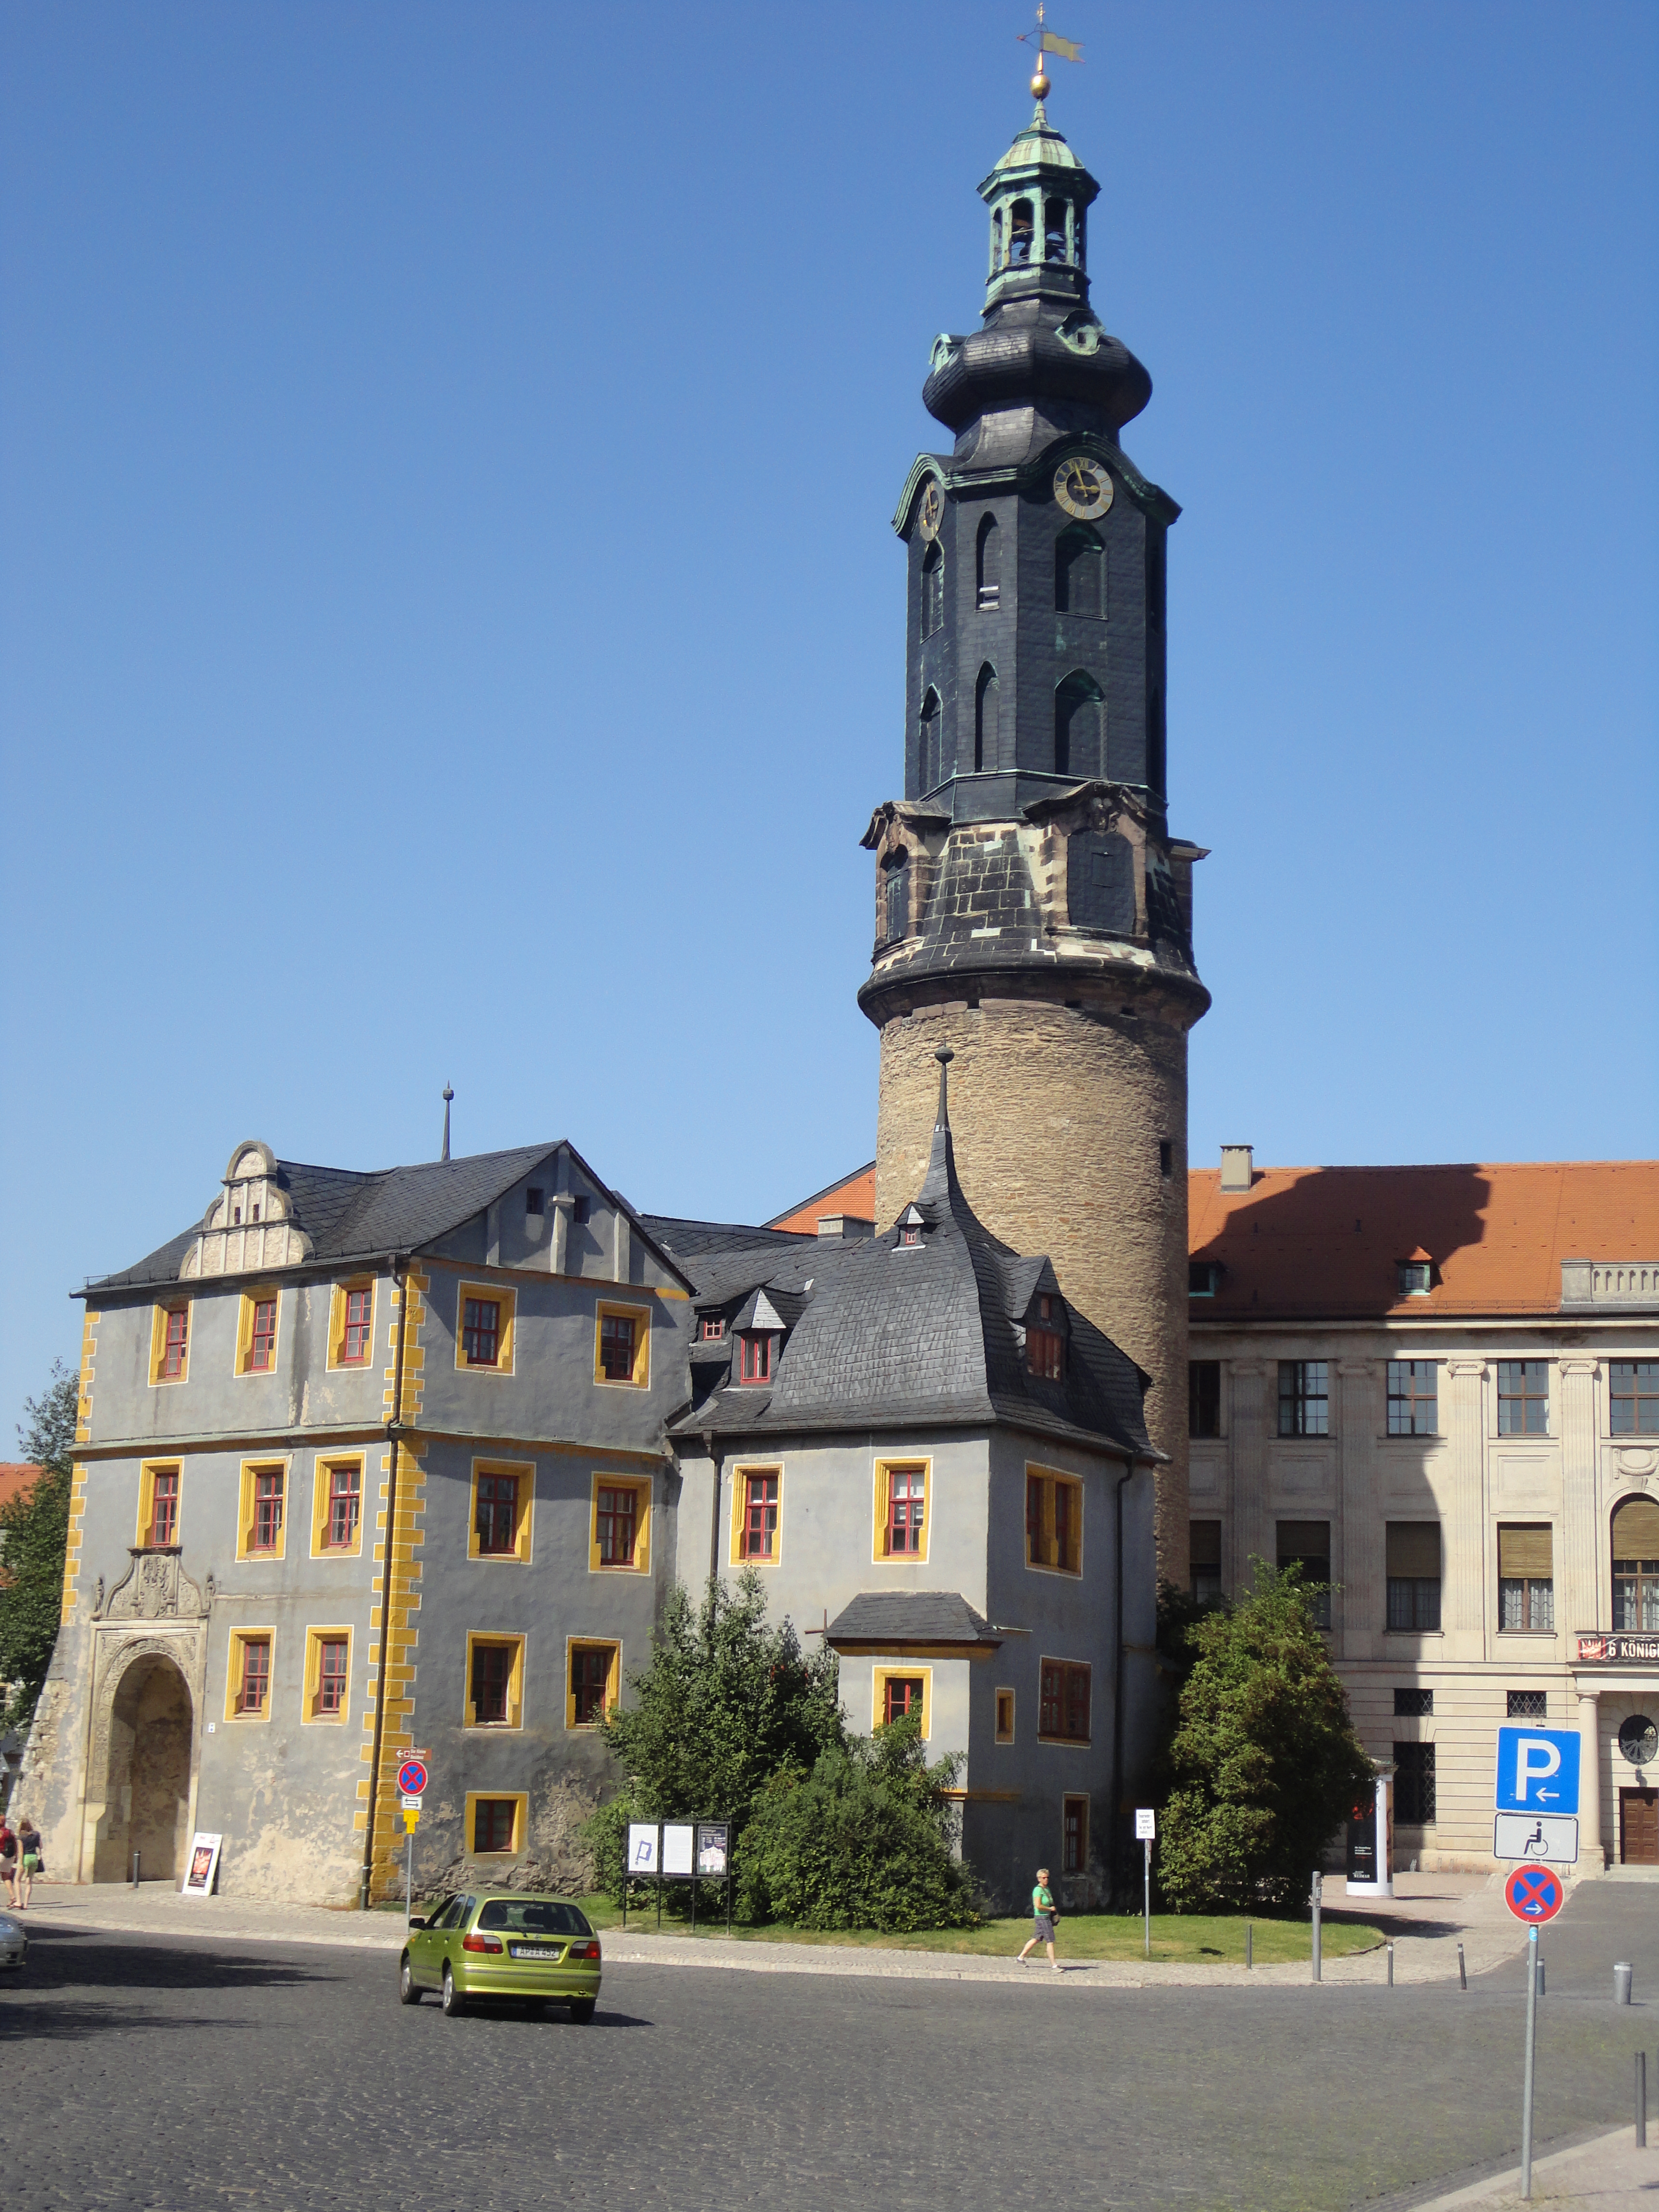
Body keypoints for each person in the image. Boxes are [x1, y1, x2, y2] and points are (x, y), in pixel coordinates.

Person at [1017, 1867, 1061, 1970]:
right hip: (1042, 1917)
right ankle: (1054, 1965)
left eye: (1047, 1877)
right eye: (1044, 1878)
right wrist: (1050, 1909)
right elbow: (1038, 1905)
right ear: (1039, 1879)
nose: (1046, 1879)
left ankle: (1020, 1958)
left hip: (1047, 1917)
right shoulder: (1038, 1890)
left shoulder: (1047, 1889)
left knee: (1036, 1939)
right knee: (1050, 1940)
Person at [14, 1819, 41, 1909]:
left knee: (17, 1880)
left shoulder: (21, 1837)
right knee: (29, 1882)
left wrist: (21, 1864)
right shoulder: (36, 1835)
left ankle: (19, 1901)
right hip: (34, 1858)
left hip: (26, 1858)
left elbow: (21, 1851)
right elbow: (41, 1846)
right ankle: (26, 1904)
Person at [0, 1821, 16, 1910]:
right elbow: (15, 1844)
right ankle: (13, 1897)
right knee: (6, 1877)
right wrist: (16, 1856)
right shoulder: (10, 1832)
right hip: (10, 1857)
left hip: (1, 1855)